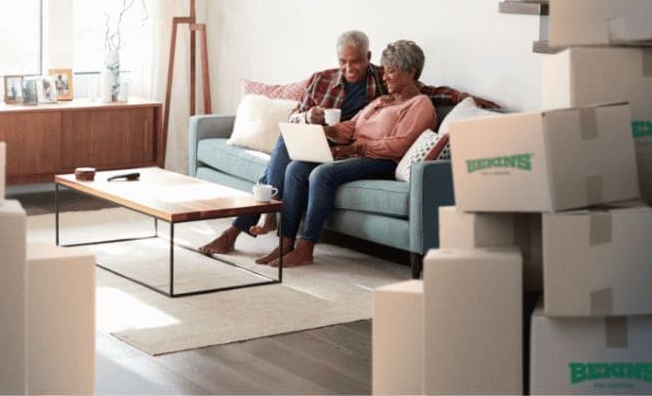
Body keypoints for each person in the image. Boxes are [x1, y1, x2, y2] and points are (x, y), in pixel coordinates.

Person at [197, 30, 495, 256]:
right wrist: (313, 122)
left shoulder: (383, 81)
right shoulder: (326, 81)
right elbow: (301, 115)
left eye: (355, 61)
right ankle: (262, 224)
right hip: (329, 139)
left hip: (355, 150)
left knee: (305, 170)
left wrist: (463, 98)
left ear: (368, 58)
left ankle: (261, 221)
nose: (349, 68)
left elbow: (424, 92)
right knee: (289, 145)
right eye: (343, 62)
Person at [256, 39, 436, 267]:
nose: (384, 77)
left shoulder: (420, 105)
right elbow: (352, 125)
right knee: (296, 168)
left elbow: (399, 145)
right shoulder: (382, 100)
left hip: (383, 161)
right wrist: (327, 131)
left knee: (322, 174)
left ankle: (306, 248)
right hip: (356, 155)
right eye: (385, 71)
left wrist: (356, 148)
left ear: (411, 72)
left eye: (391, 72)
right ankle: (285, 242)